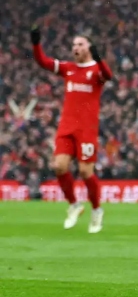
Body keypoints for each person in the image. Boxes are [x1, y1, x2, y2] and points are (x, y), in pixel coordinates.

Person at [30, 25, 113, 233]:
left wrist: (99, 58)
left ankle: (97, 210)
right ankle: (74, 205)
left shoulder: (96, 70)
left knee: (85, 172)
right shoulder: (68, 68)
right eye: (74, 44)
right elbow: (43, 61)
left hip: (86, 130)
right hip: (66, 127)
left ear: (89, 48)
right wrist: (36, 43)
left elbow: (108, 75)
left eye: (80, 44)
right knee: (59, 167)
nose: (75, 48)